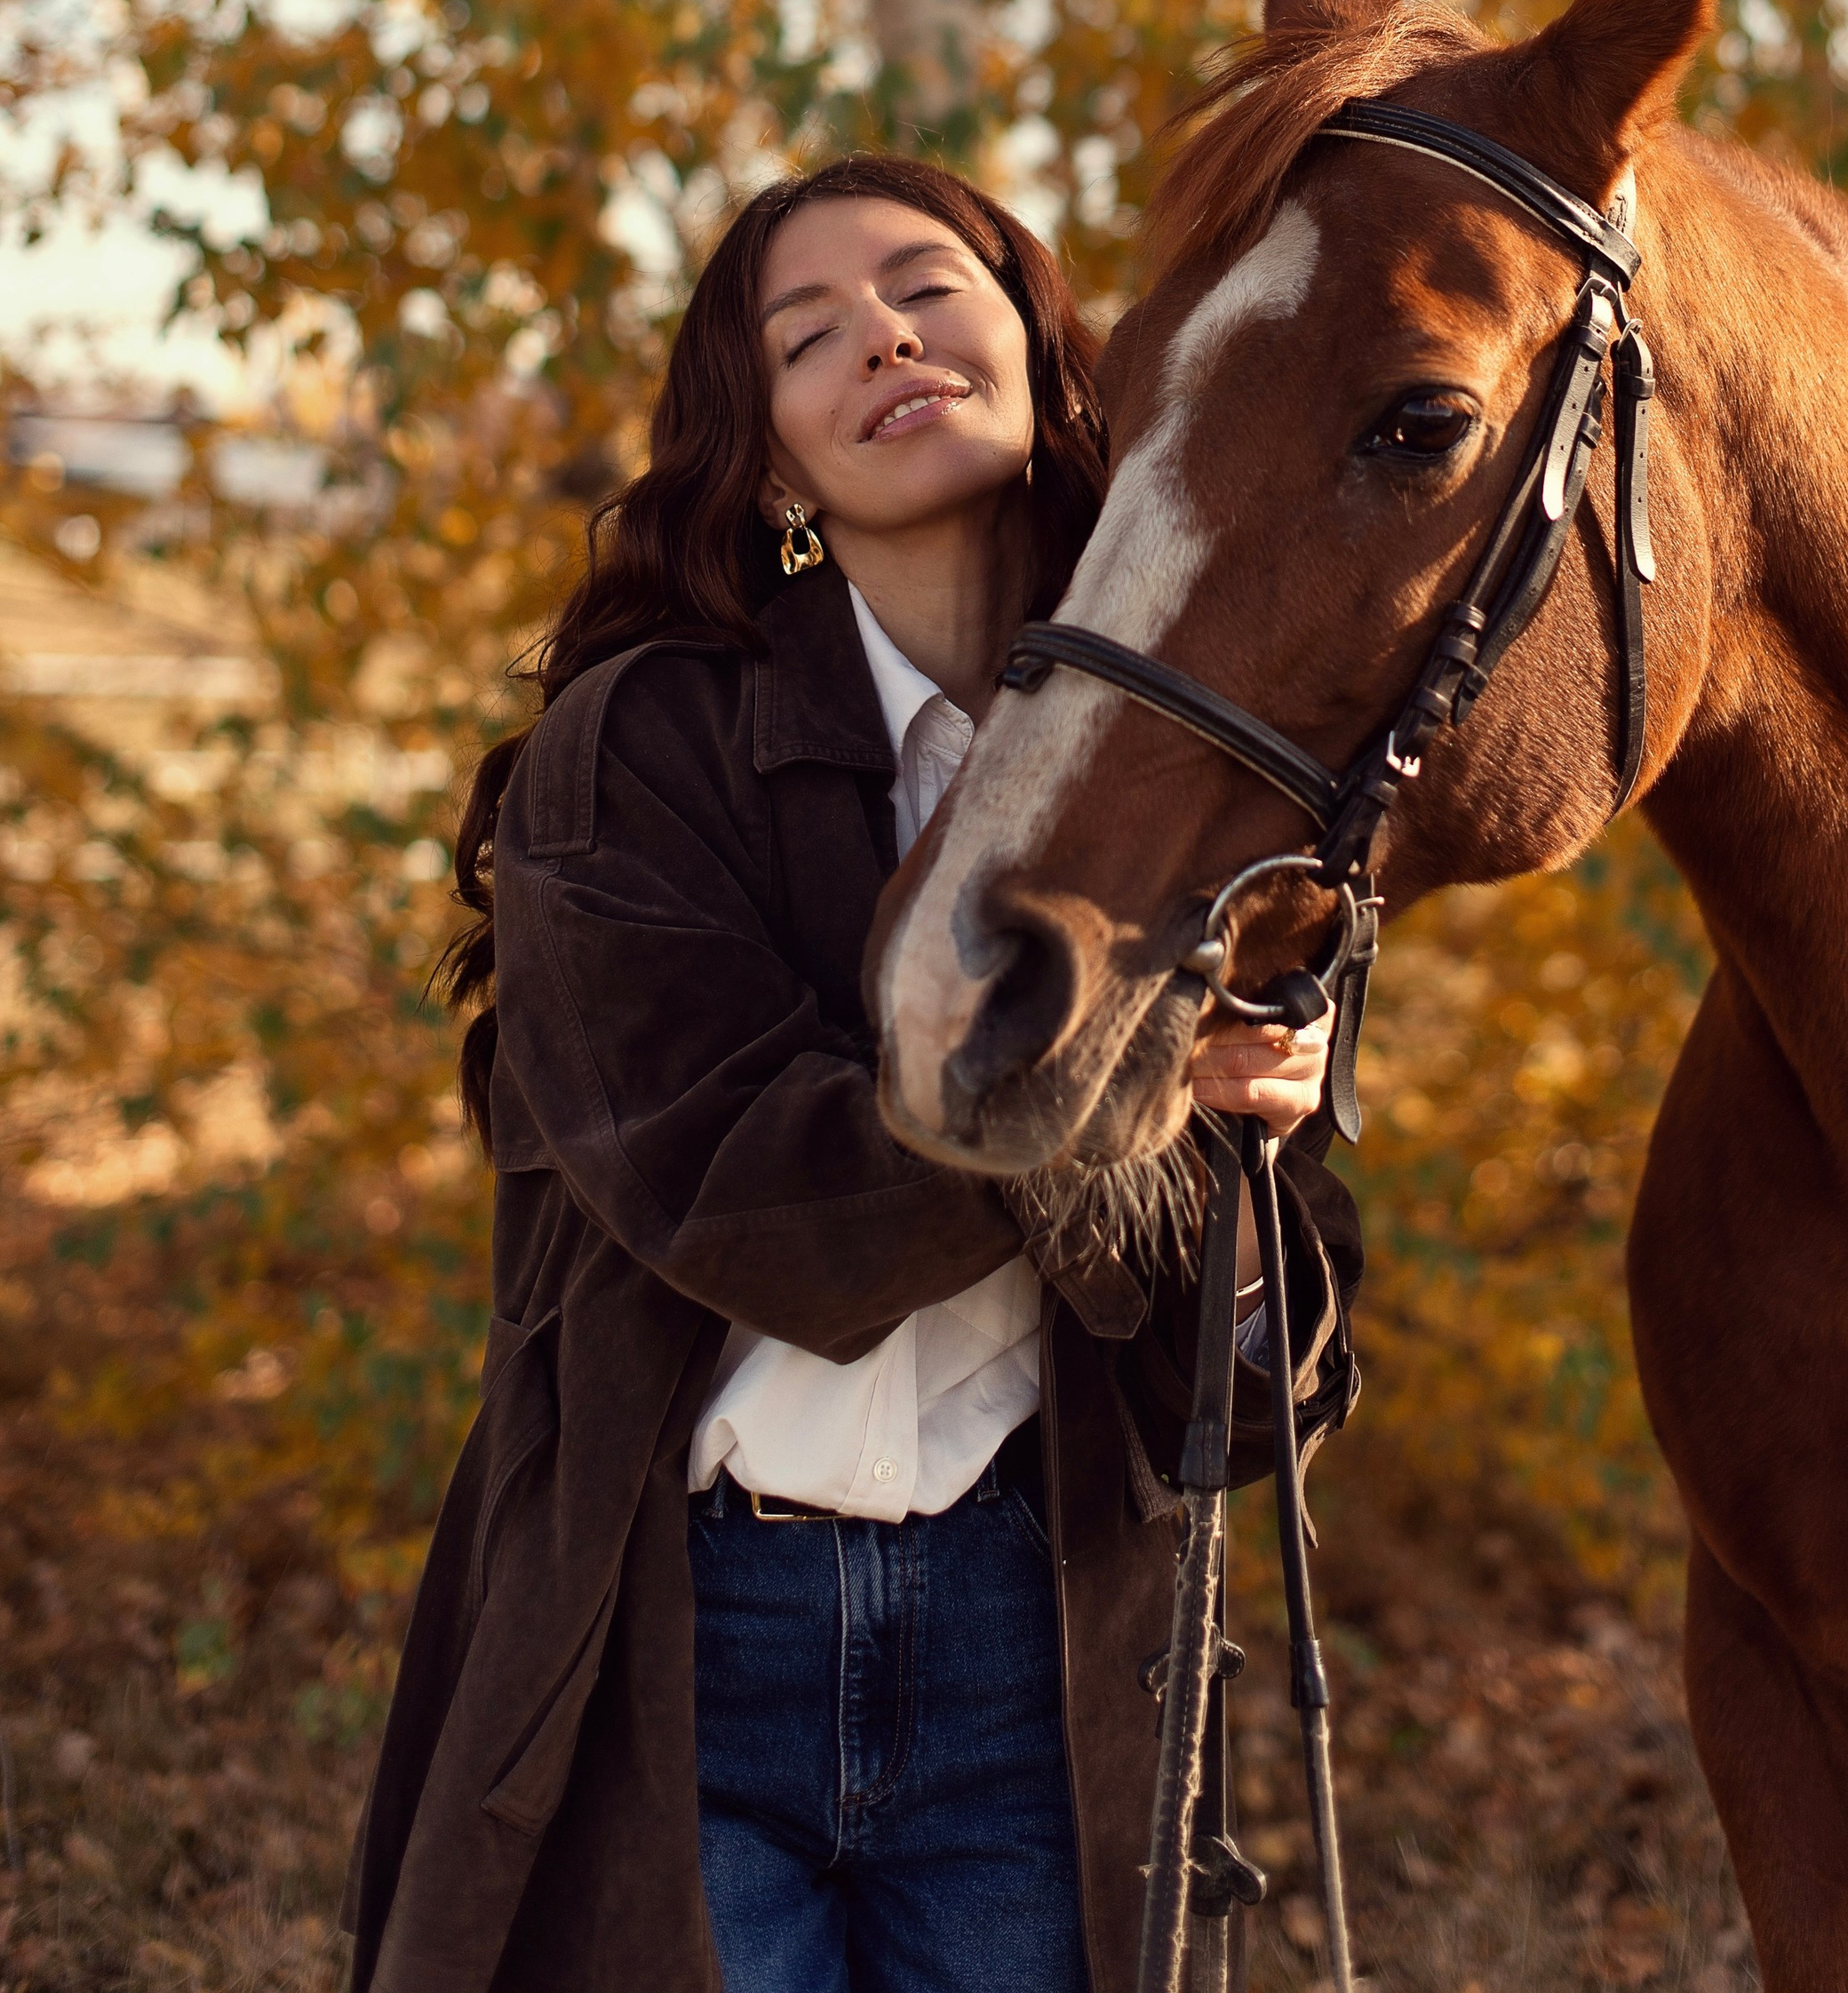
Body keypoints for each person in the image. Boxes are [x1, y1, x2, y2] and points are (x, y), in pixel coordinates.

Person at [344, 151, 1360, 1993]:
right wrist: (1118, 1090)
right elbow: (745, 1204)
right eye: (805, 335)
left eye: (922, 284)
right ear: (768, 454)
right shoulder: (632, 749)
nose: (879, 335)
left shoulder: (1188, 782)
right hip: (689, 1637)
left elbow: (1248, 1365)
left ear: (1049, 358)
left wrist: (1257, 1145)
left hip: (1031, 1648)